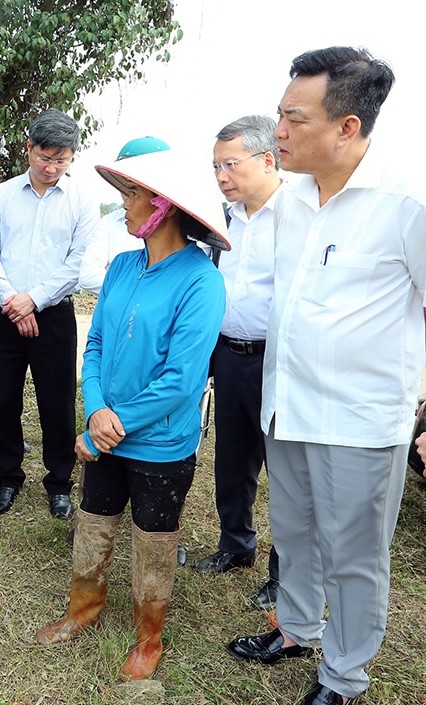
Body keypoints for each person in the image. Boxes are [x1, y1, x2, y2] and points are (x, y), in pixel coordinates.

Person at [227, 47, 426, 705]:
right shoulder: (292, 203)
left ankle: (343, 677)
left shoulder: (407, 202)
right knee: (297, 531)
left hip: (360, 421)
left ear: (347, 127)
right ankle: (296, 627)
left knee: (355, 555)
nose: (277, 132)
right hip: (287, 407)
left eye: (293, 118)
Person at [35, 146, 228, 683]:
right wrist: (95, 407)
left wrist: (108, 428)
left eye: (133, 195)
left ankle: (149, 639)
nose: (123, 206)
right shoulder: (121, 266)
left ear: (163, 206)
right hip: (107, 434)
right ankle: (82, 612)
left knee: (155, 541)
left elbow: (181, 382)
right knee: (92, 525)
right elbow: (94, 344)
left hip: (161, 444)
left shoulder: (201, 281)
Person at [0, 109, 99, 520]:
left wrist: (35, 300)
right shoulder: (0, 195)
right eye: (45, 157)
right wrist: (15, 302)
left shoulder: (81, 200)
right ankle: (9, 476)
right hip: (4, 314)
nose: (51, 167)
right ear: (27, 148)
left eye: (61, 160)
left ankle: (59, 481)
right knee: (3, 399)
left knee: (57, 401)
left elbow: (77, 262)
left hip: (54, 317)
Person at [192, 116, 283, 612]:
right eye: (215, 167)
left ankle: (284, 574)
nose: (222, 176)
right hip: (229, 354)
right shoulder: (221, 220)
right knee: (232, 460)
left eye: (231, 164)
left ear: (268, 160)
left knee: (285, 471)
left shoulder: (298, 215)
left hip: (278, 361)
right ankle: (235, 544)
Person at [77, 137, 167, 296]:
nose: (126, 195)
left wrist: (116, 277)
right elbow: (88, 277)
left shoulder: (184, 232)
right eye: (123, 181)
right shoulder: (109, 223)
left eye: (134, 190)